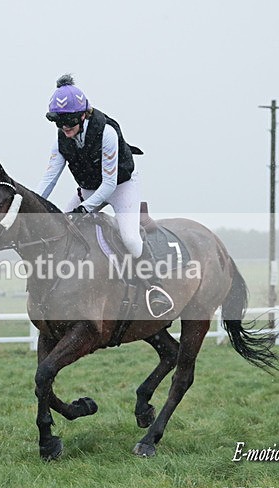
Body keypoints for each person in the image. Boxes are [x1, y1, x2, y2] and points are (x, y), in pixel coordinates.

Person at [35, 73, 174, 318]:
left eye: (69, 121)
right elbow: (49, 179)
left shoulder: (107, 132)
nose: (64, 128)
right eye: (59, 122)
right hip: (89, 188)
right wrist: (29, 204)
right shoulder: (61, 140)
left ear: (83, 115)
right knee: (61, 230)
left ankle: (155, 288)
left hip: (121, 186)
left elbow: (109, 184)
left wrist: (84, 209)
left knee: (130, 239)